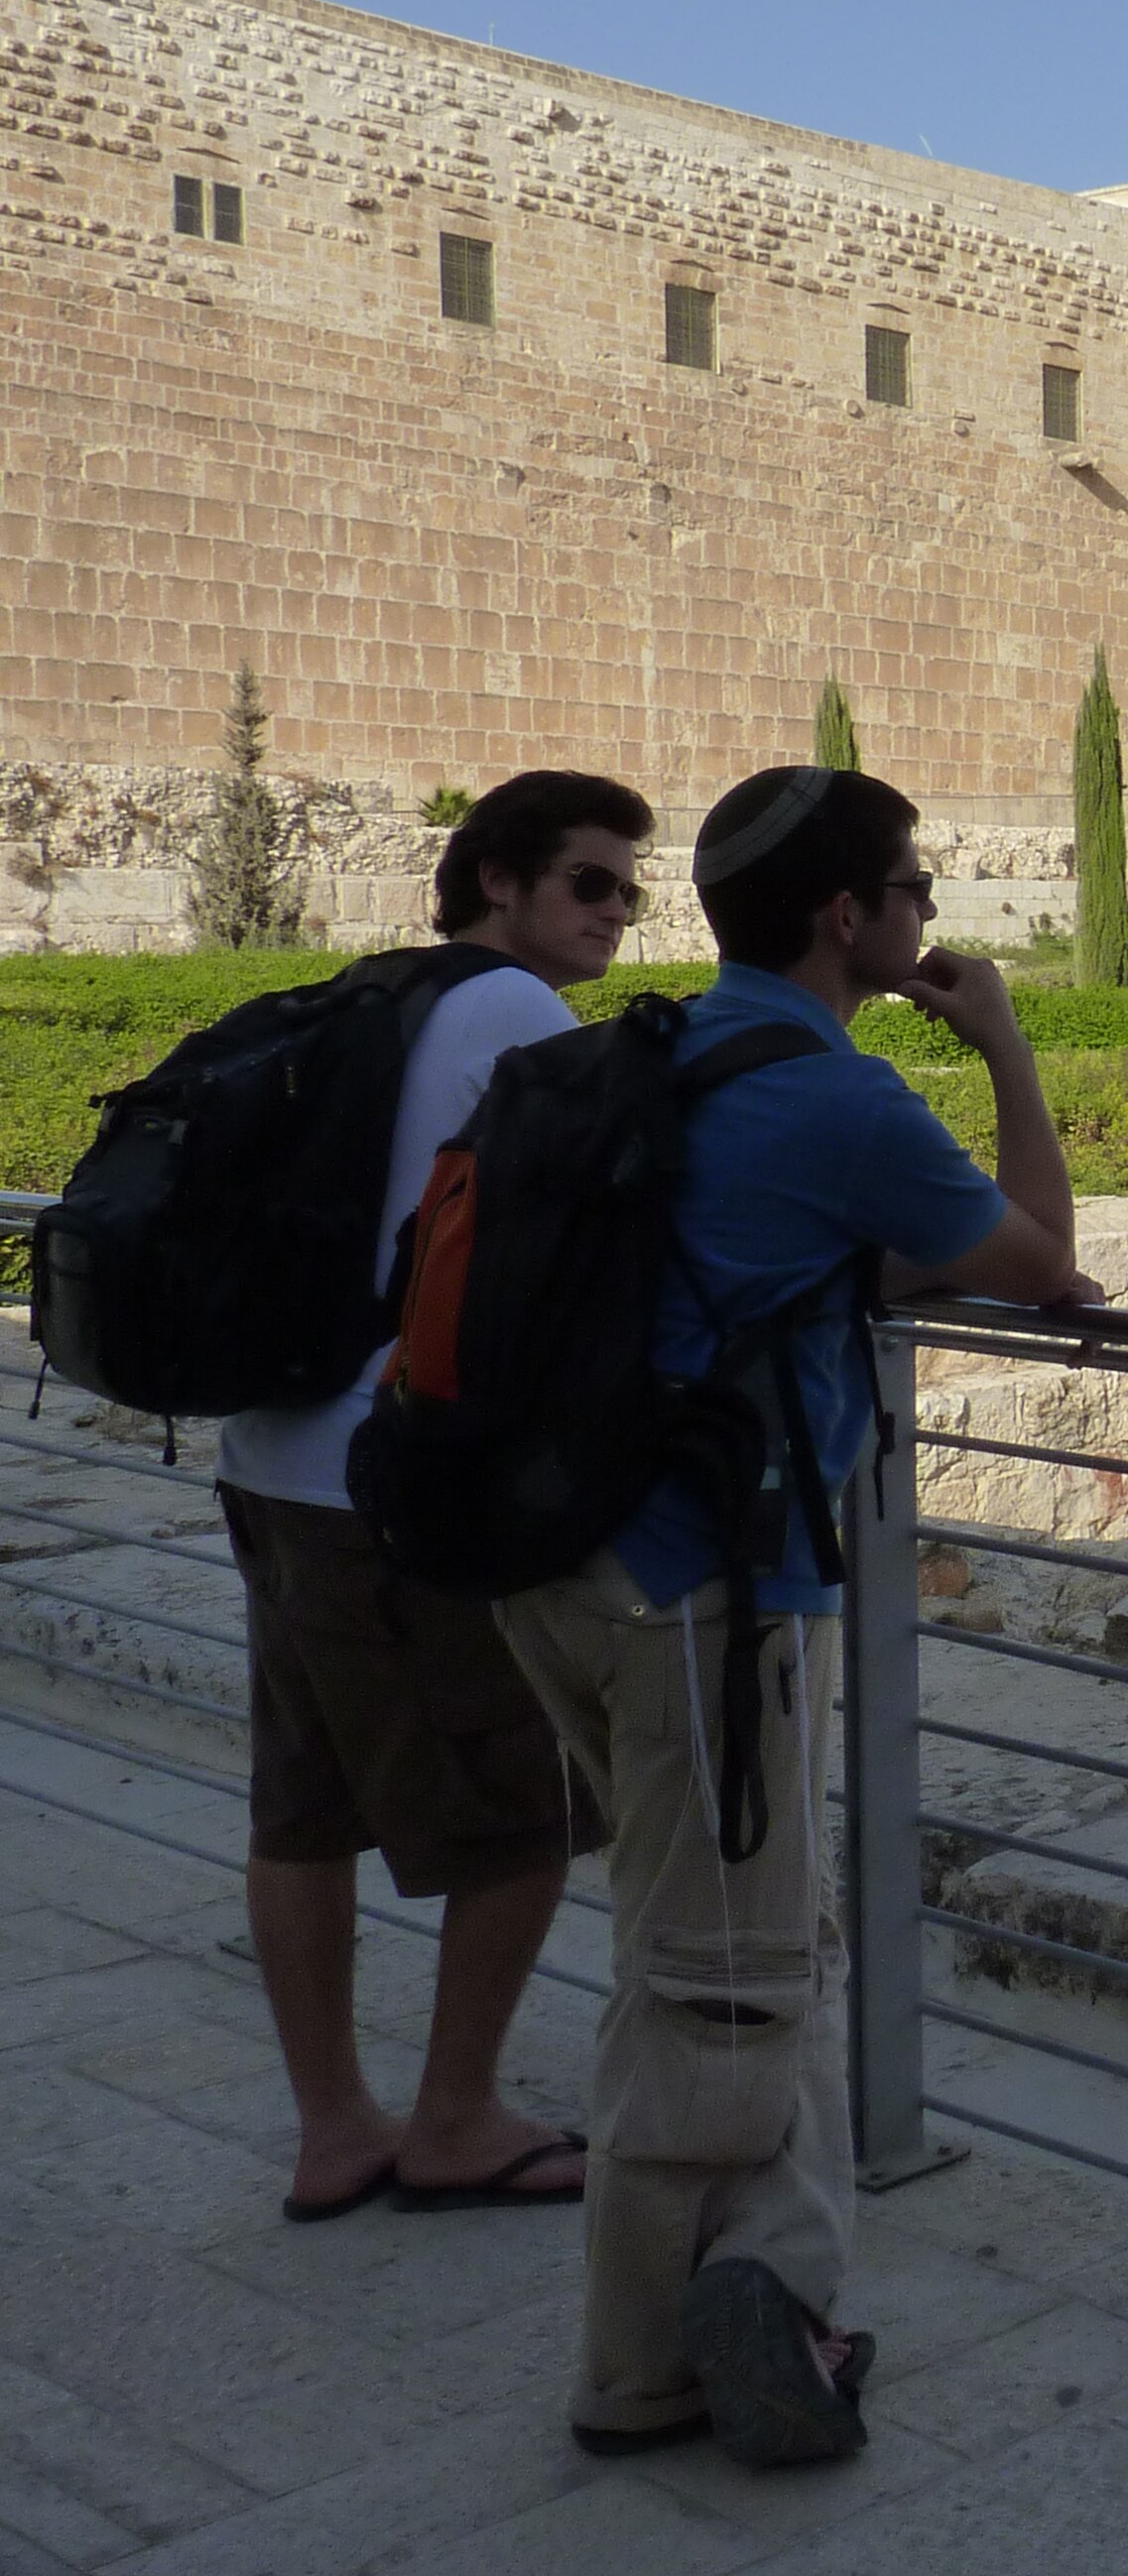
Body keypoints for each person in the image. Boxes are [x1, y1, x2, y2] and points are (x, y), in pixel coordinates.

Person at [493, 764, 1095, 2466]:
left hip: (572, 1564)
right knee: (718, 1980)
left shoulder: (682, 1048)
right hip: (699, 1594)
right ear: (850, 920)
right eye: (912, 889)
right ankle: (637, 2370)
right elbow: (1045, 1251)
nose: (925, 915)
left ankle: (776, 2281)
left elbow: (768, 1256)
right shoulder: (838, 1102)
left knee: (745, 1941)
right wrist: (1003, 1050)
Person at [216, 770, 654, 2222]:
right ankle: (458, 2117)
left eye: (627, 889)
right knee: (524, 1807)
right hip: (391, 1482)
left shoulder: (368, 995)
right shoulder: (516, 1016)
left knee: (304, 1807)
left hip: (272, 1458)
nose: (617, 913)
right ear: (497, 884)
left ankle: (335, 2126)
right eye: (589, 884)